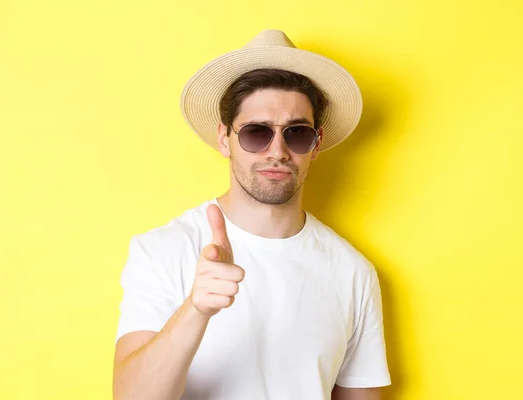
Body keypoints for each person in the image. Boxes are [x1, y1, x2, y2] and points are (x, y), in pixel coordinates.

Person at [112, 30, 391, 400]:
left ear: (316, 144)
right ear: (224, 138)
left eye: (296, 133)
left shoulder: (352, 271)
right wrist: (196, 310)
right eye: (257, 132)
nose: (277, 151)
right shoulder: (163, 250)